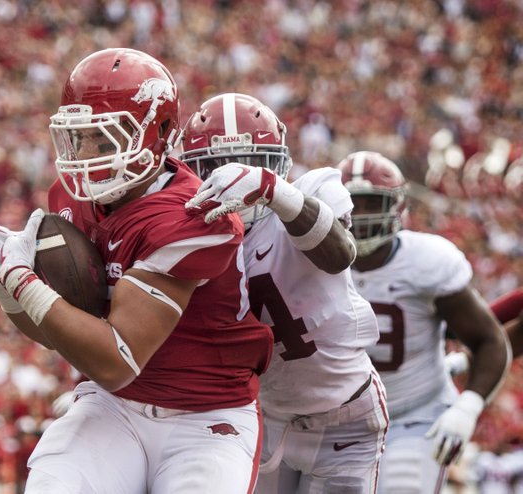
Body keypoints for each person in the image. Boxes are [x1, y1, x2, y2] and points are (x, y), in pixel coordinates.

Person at [0, 48, 275, 493]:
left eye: (106, 139)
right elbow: (60, 332)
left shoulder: (193, 214)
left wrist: (23, 280)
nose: (88, 155)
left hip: (204, 415)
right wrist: (4, 288)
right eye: (82, 137)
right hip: (114, 405)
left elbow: (117, 360)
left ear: (162, 131)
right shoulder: (71, 199)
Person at [182, 93, 388, 493]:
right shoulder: (188, 232)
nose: (234, 176)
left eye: (251, 163)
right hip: (262, 416)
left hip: (345, 416)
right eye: (216, 166)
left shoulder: (312, 188)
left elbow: (339, 254)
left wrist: (275, 192)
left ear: (276, 164)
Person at [336, 151, 510, 493]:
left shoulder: (426, 261)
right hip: (335, 422)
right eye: (352, 204)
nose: (361, 216)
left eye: (372, 203)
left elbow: (489, 339)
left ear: (397, 207)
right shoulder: (308, 261)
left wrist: (468, 406)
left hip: (413, 415)